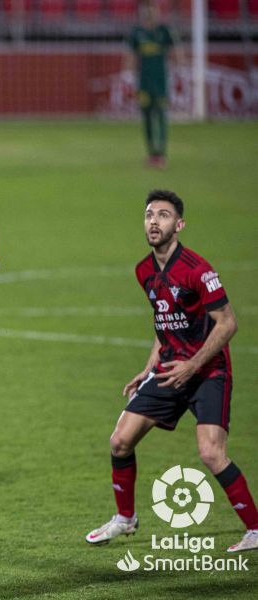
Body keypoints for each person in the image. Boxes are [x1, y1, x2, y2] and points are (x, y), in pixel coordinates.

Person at [85, 190, 257, 553]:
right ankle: (126, 518)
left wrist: (193, 365)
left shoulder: (198, 269)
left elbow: (227, 323)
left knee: (211, 453)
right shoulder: (144, 271)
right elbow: (165, 323)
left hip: (207, 372)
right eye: (149, 214)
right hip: (167, 370)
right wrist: (149, 367)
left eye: (163, 215)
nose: (153, 221)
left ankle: (255, 529)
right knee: (120, 441)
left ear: (178, 225)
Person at [127, 0, 180, 169]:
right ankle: (151, 154)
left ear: (157, 11)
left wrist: (177, 70)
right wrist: (128, 76)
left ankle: (162, 154)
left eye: (151, 9)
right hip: (144, 82)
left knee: (162, 115)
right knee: (147, 117)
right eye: (145, 9)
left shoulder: (164, 31)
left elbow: (176, 54)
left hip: (162, 81)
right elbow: (131, 57)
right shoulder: (137, 33)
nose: (148, 12)